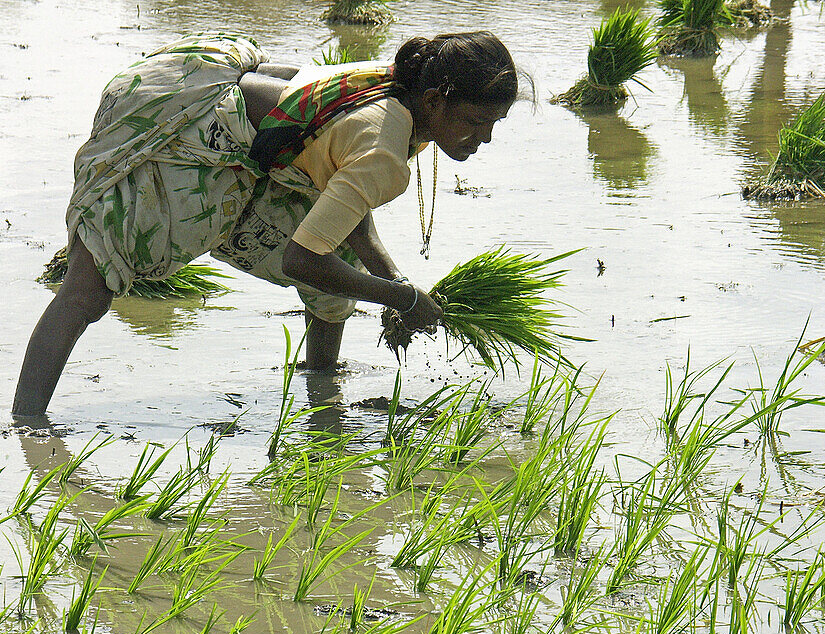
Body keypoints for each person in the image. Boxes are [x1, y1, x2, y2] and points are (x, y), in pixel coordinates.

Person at [12, 31, 522, 418]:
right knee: (90, 285)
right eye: (476, 122)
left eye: (494, 126)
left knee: (339, 279)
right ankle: (28, 426)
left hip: (258, 154)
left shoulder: (404, 92)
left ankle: (323, 397)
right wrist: (402, 299)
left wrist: (390, 280)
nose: (485, 138)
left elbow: (343, 202)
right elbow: (305, 258)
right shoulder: (385, 144)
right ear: (436, 101)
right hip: (190, 129)